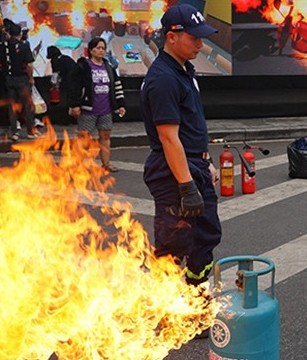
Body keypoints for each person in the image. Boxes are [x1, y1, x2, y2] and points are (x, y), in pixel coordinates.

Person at [140, 4, 222, 289]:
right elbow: (168, 138)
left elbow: (192, 125)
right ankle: (166, 313)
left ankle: (194, 302)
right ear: (171, 37)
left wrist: (206, 160)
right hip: (174, 170)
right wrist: (187, 187)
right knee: (173, 246)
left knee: (205, 238)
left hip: (194, 164)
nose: (201, 43)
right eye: (194, 37)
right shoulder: (163, 78)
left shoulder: (185, 70)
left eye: (202, 37)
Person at [68, 37, 126, 172]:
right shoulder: (83, 66)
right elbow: (74, 87)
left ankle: (106, 164)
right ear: (91, 50)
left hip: (106, 109)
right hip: (88, 110)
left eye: (103, 48)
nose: (101, 51)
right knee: (84, 139)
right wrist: (75, 105)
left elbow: (116, 85)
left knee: (105, 136)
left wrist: (120, 104)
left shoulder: (109, 67)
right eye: (98, 48)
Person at [4, 20, 39, 141]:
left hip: (8, 79)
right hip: (21, 80)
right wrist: (31, 78)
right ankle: (30, 131)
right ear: (19, 34)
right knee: (28, 106)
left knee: (12, 106)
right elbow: (29, 65)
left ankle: (14, 132)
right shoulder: (24, 46)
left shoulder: (4, 46)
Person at [46, 45, 78, 125]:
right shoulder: (66, 58)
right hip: (74, 82)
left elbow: (56, 74)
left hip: (65, 83)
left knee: (63, 102)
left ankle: (64, 120)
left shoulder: (55, 61)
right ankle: (73, 119)